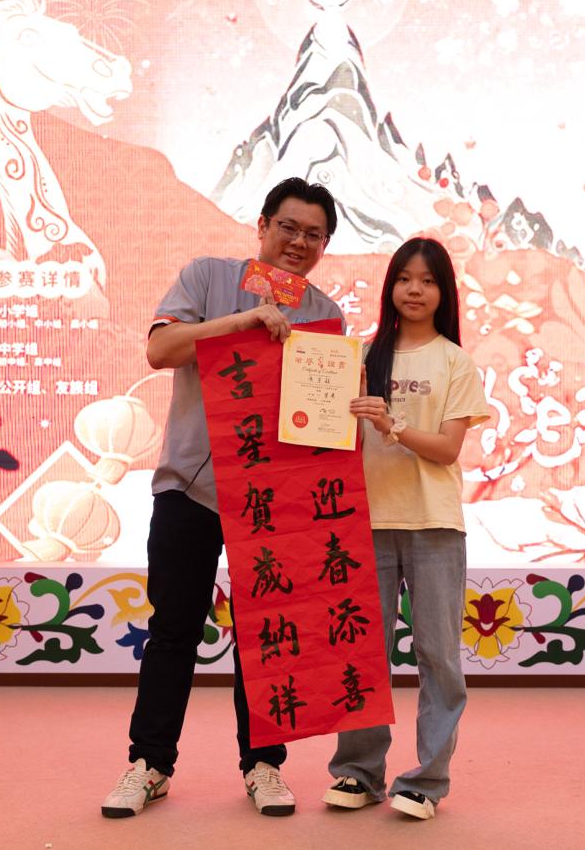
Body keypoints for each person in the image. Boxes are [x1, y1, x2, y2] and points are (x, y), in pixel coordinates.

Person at [101, 178, 344, 819]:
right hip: (189, 485)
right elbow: (160, 349)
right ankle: (149, 765)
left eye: (313, 235)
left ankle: (264, 766)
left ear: (325, 245)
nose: (298, 242)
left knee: (271, 637)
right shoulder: (207, 276)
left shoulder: (325, 313)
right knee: (173, 631)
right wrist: (243, 321)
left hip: (274, 499)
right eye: (288, 227)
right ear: (262, 226)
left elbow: (317, 421)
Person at [321, 237, 489, 819]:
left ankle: (426, 781)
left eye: (428, 281)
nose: (414, 291)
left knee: (438, 655)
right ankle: (359, 773)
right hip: (363, 523)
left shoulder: (454, 361)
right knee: (361, 653)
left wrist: (391, 427)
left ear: (444, 293)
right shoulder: (361, 357)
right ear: (390, 287)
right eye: (404, 279)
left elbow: (446, 450)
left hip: (433, 523)